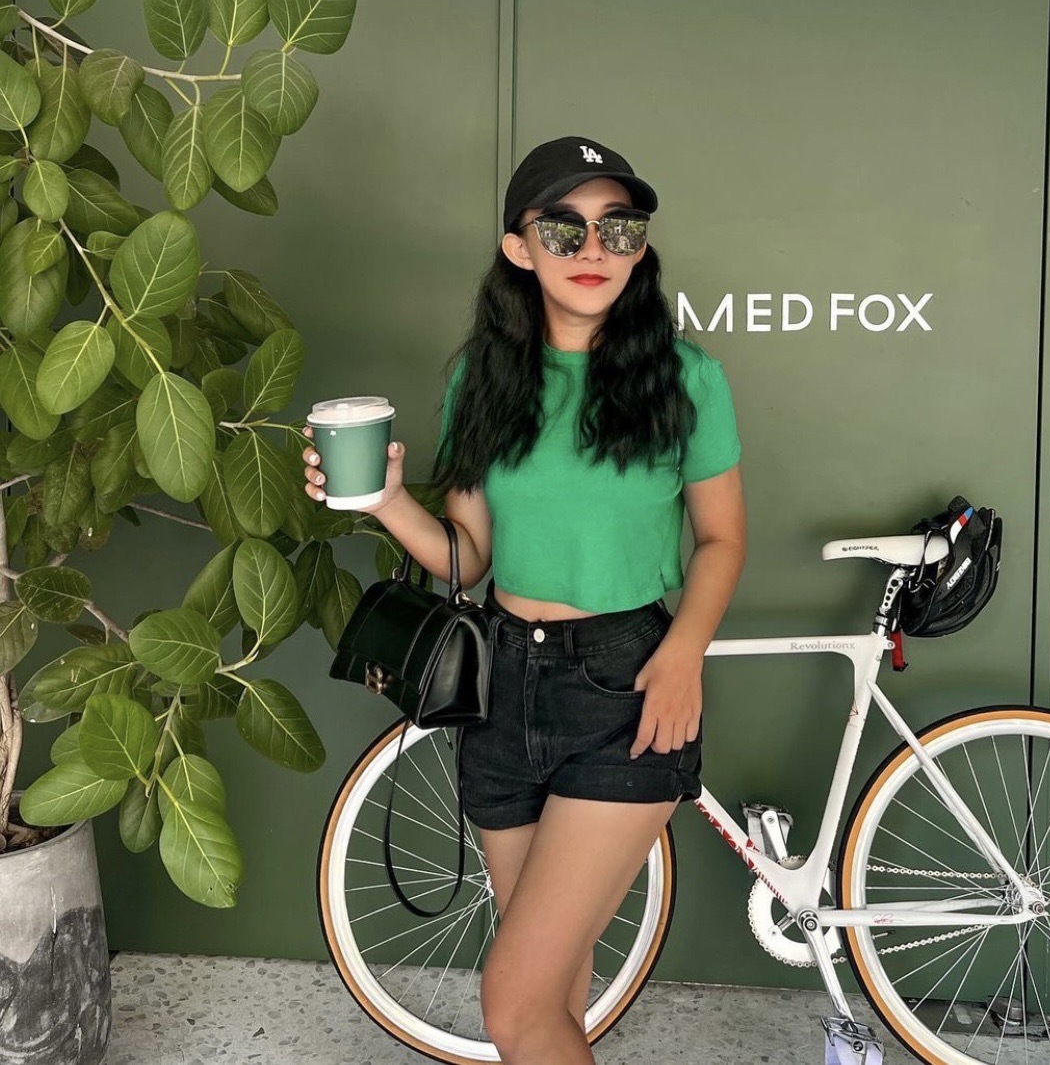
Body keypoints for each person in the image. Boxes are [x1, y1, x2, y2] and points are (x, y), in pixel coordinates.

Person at [302, 135, 746, 1064]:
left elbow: (721, 539)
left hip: (626, 687)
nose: (594, 249)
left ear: (640, 248)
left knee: (511, 1004)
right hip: (501, 687)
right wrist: (385, 501)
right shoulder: (483, 379)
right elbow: (465, 557)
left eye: (618, 228)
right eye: (564, 228)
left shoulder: (687, 378)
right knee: (550, 1000)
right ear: (518, 247)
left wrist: (682, 656)